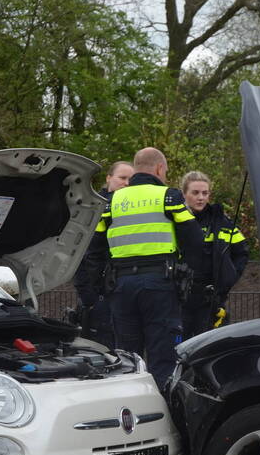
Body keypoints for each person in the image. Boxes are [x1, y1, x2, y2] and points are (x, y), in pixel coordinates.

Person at [84, 148, 200, 390]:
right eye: (165, 171)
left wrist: (96, 292)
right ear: (159, 169)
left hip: (121, 286)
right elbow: (195, 241)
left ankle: (129, 410)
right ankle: (163, 410)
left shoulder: (112, 201)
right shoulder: (168, 196)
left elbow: (93, 250)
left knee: (127, 358)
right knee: (163, 354)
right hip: (160, 284)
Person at [72, 162, 134, 347]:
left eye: (131, 179)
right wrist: (88, 294)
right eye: (122, 178)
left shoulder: (132, 209)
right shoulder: (92, 208)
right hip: (98, 294)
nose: (126, 183)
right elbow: (79, 253)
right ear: (108, 178)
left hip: (123, 290)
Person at [180, 171, 249, 338]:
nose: (201, 197)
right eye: (195, 193)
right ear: (184, 194)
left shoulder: (221, 222)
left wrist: (229, 276)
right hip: (180, 297)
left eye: (205, 193)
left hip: (210, 298)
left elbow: (241, 252)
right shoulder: (176, 221)